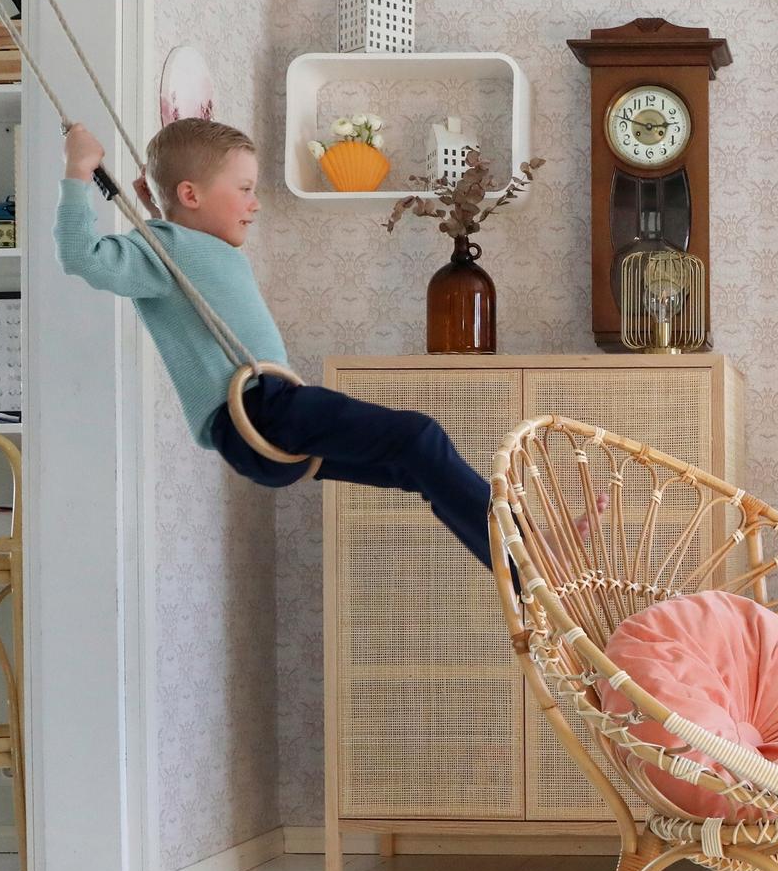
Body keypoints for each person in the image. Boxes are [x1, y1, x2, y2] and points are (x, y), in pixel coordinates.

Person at [57, 118, 496, 569]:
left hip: (268, 418)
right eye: (245, 189)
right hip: (258, 413)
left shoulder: (181, 244)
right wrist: (78, 171)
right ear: (191, 195)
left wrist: (158, 206)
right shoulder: (162, 250)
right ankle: (520, 551)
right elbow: (81, 255)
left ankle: (519, 572)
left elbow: (182, 246)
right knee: (420, 437)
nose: (256, 203)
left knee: (412, 464)